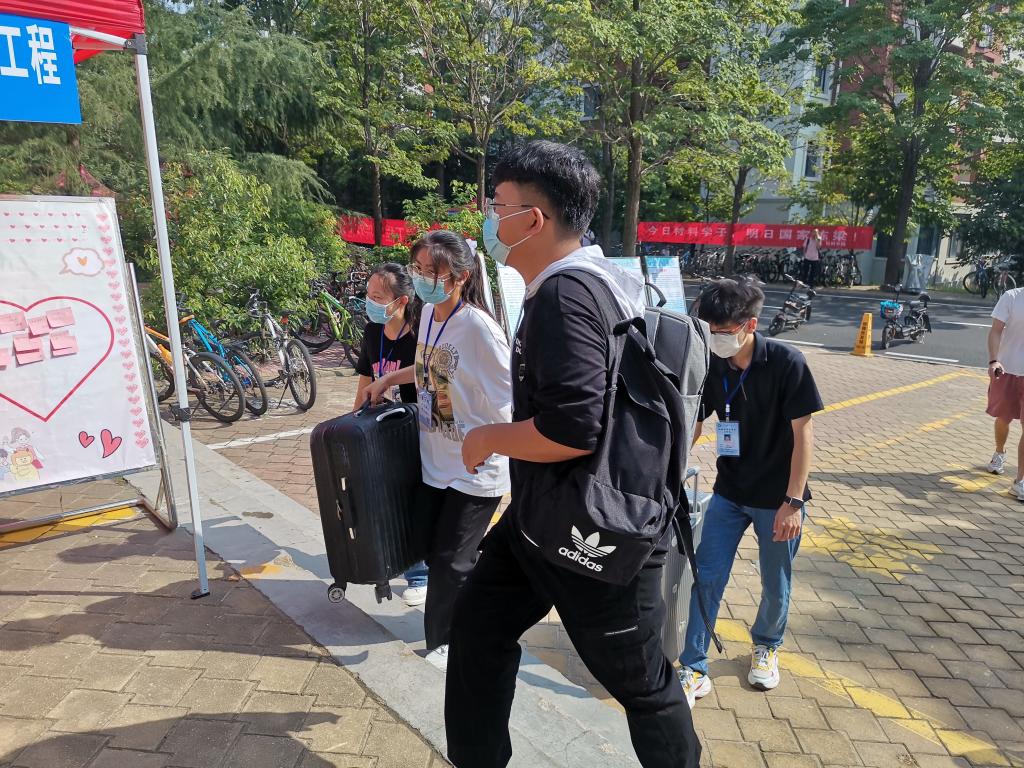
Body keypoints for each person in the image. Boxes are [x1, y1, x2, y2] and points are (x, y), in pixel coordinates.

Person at [446, 140, 701, 768]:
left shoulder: (568, 296)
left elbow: (572, 429)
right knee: (478, 627)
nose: (488, 217)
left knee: (642, 685)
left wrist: (487, 438)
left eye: (497, 205)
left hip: (592, 530)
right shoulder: (591, 284)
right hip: (543, 519)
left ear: (532, 219)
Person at [364, 231, 511, 671]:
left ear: (461, 277)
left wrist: (487, 444)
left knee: (449, 561)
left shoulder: (481, 330)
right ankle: (481, 586)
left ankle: (447, 642)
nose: (423, 278)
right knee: (429, 546)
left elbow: (511, 404)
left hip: (475, 467)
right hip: (435, 459)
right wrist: (388, 379)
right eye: (419, 269)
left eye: (433, 271)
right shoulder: (427, 314)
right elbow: (428, 367)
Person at [678, 278, 822, 708]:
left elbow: (804, 436)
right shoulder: (713, 363)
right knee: (707, 576)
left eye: (722, 331)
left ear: (750, 325)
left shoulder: (786, 363)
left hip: (778, 499)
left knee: (775, 582)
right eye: (709, 330)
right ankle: (693, 666)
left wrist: (793, 502)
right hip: (729, 493)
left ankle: (766, 645)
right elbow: (695, 422)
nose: (715, 339)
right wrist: (669, 468)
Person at [352, 263, 429, 606]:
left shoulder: (422, 333)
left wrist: (391, 381)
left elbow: (433, 371)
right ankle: (407, 565)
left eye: (377, 296)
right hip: (382, 430)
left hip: (419, 430)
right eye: (368, 294)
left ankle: (421, 575)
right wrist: (353, 420)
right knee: (392, 500)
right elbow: (365, 379)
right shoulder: (373, 332)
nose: (369, 302)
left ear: (401, 301)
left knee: (414, 500)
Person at [985, 287, 1024, 498]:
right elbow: (996, 330)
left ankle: (1021, 481)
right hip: (1007, 369)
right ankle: (999, 452)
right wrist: (994, 360)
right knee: (1003, 418)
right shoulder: (1012, 297)